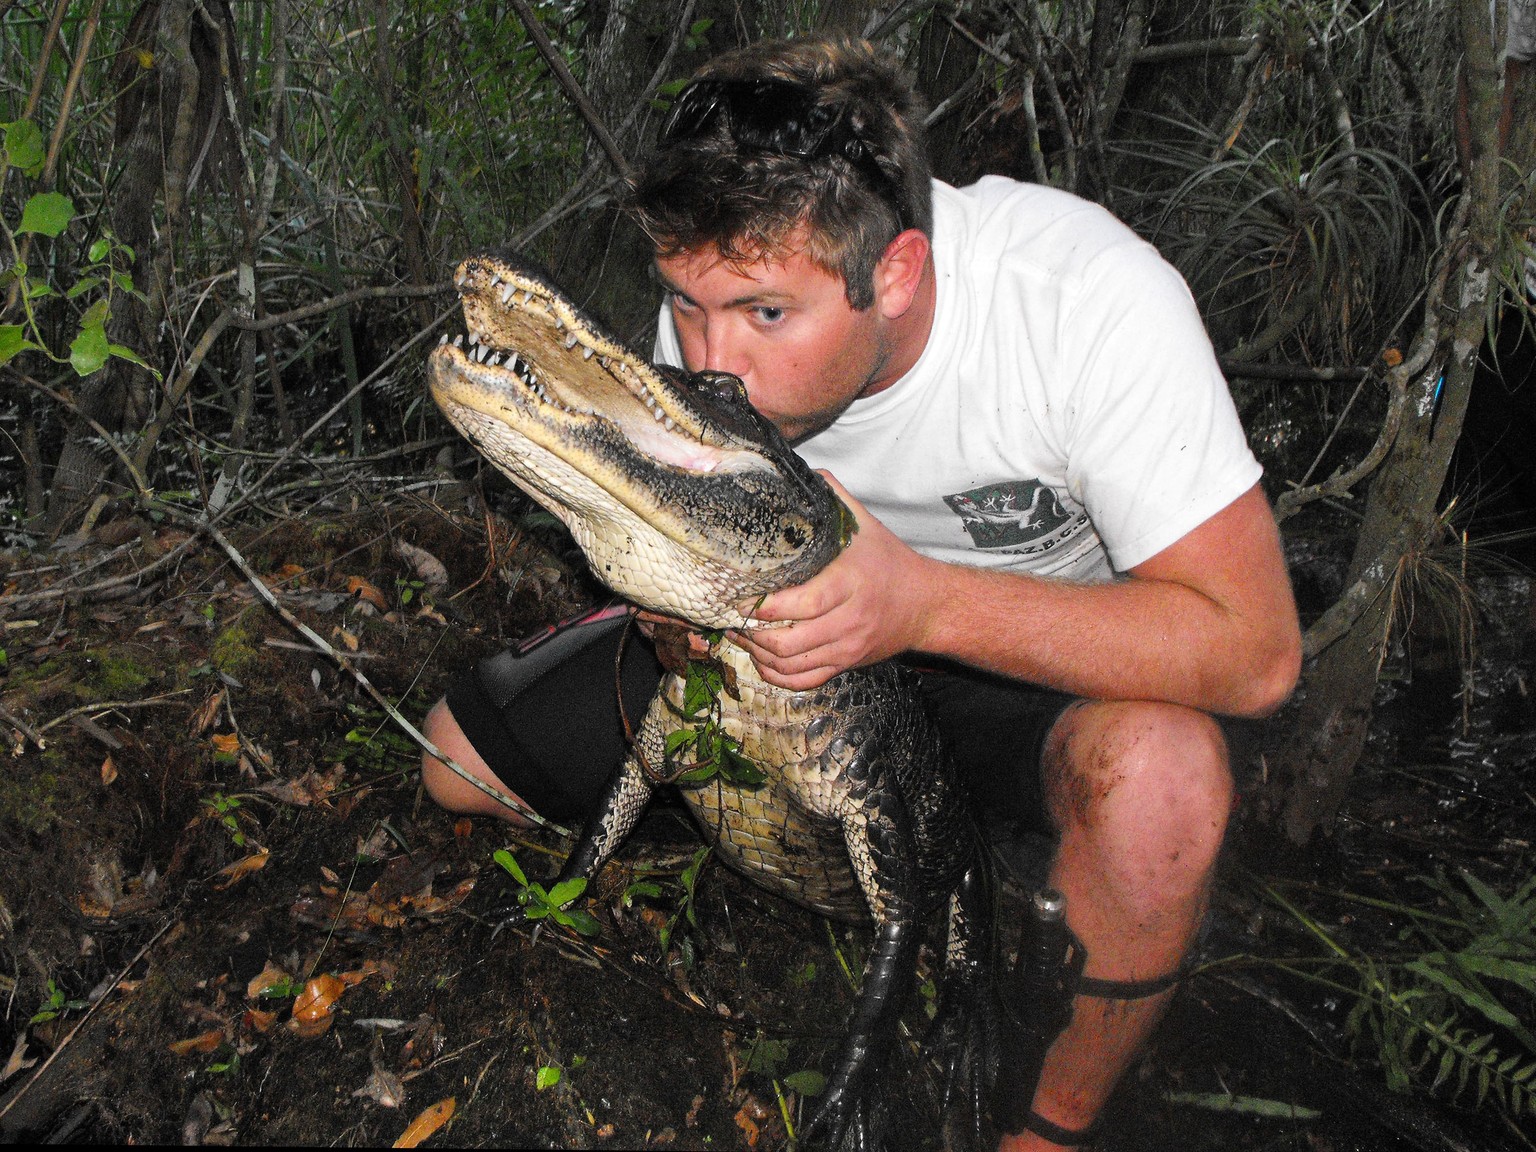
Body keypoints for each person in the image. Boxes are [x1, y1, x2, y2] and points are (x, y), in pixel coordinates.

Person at [420, 35, 1302, 1150]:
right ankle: (765, 834)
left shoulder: (1086, 303)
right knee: (455, 765)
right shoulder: (715, 316)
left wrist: (925, 604)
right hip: (772, 646)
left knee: (1164, 786)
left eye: (764, 314)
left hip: (1023, 668)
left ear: (895, 274)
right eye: (687, 306)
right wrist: (676, 626)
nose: (713, 360)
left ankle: (1050, 1124)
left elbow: (1258, 653)